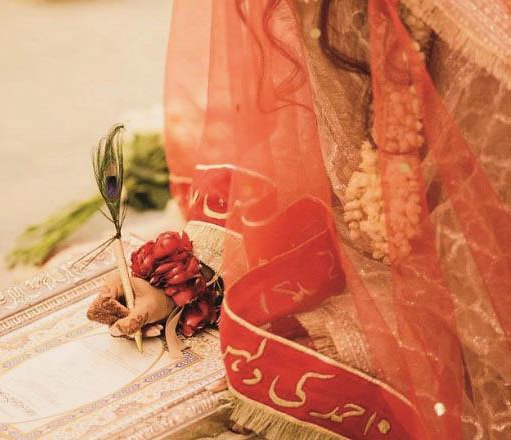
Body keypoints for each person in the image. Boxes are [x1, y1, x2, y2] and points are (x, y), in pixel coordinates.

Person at [88, 1, 511, 438]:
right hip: (390, 256)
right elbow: (291, 157)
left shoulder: (478, 41)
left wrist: (349, 337)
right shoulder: (301, 14)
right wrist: (188, 278)